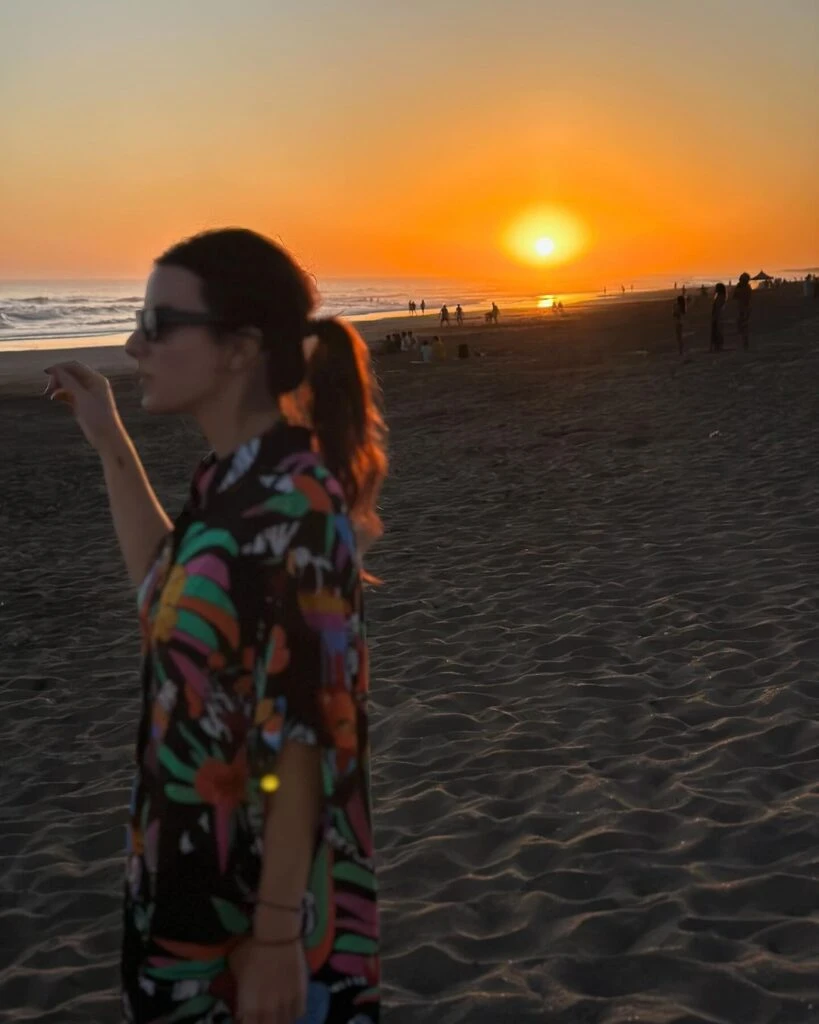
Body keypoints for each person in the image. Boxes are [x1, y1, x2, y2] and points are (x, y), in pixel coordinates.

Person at [44, 228, 386, 1024]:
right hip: (192, 896)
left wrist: (273, 937)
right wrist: (107, 436)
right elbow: (164, 594)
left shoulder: (297, 503)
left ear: (238, 348)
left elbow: (308, 725)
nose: (134, 345)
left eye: (159, 325)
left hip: (250, 921)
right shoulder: (234, 486)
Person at [733, 272, 752, 350]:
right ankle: (744, 344)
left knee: (743, 326)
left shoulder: (745, 288)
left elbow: (735, 296)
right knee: (742, 326)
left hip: (744, 309)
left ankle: (745, 344)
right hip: (743, 308)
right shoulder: (746, 287)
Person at [711, 283, 727, 352]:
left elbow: (718, 307)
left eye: (716, 288)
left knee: (718, 331)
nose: (715, 289)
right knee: (716, 331)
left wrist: (715, 316)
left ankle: (718, 346)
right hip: (717, 315)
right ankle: (717, 346)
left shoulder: (721, 297)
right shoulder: (719, 296)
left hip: (718, 315)